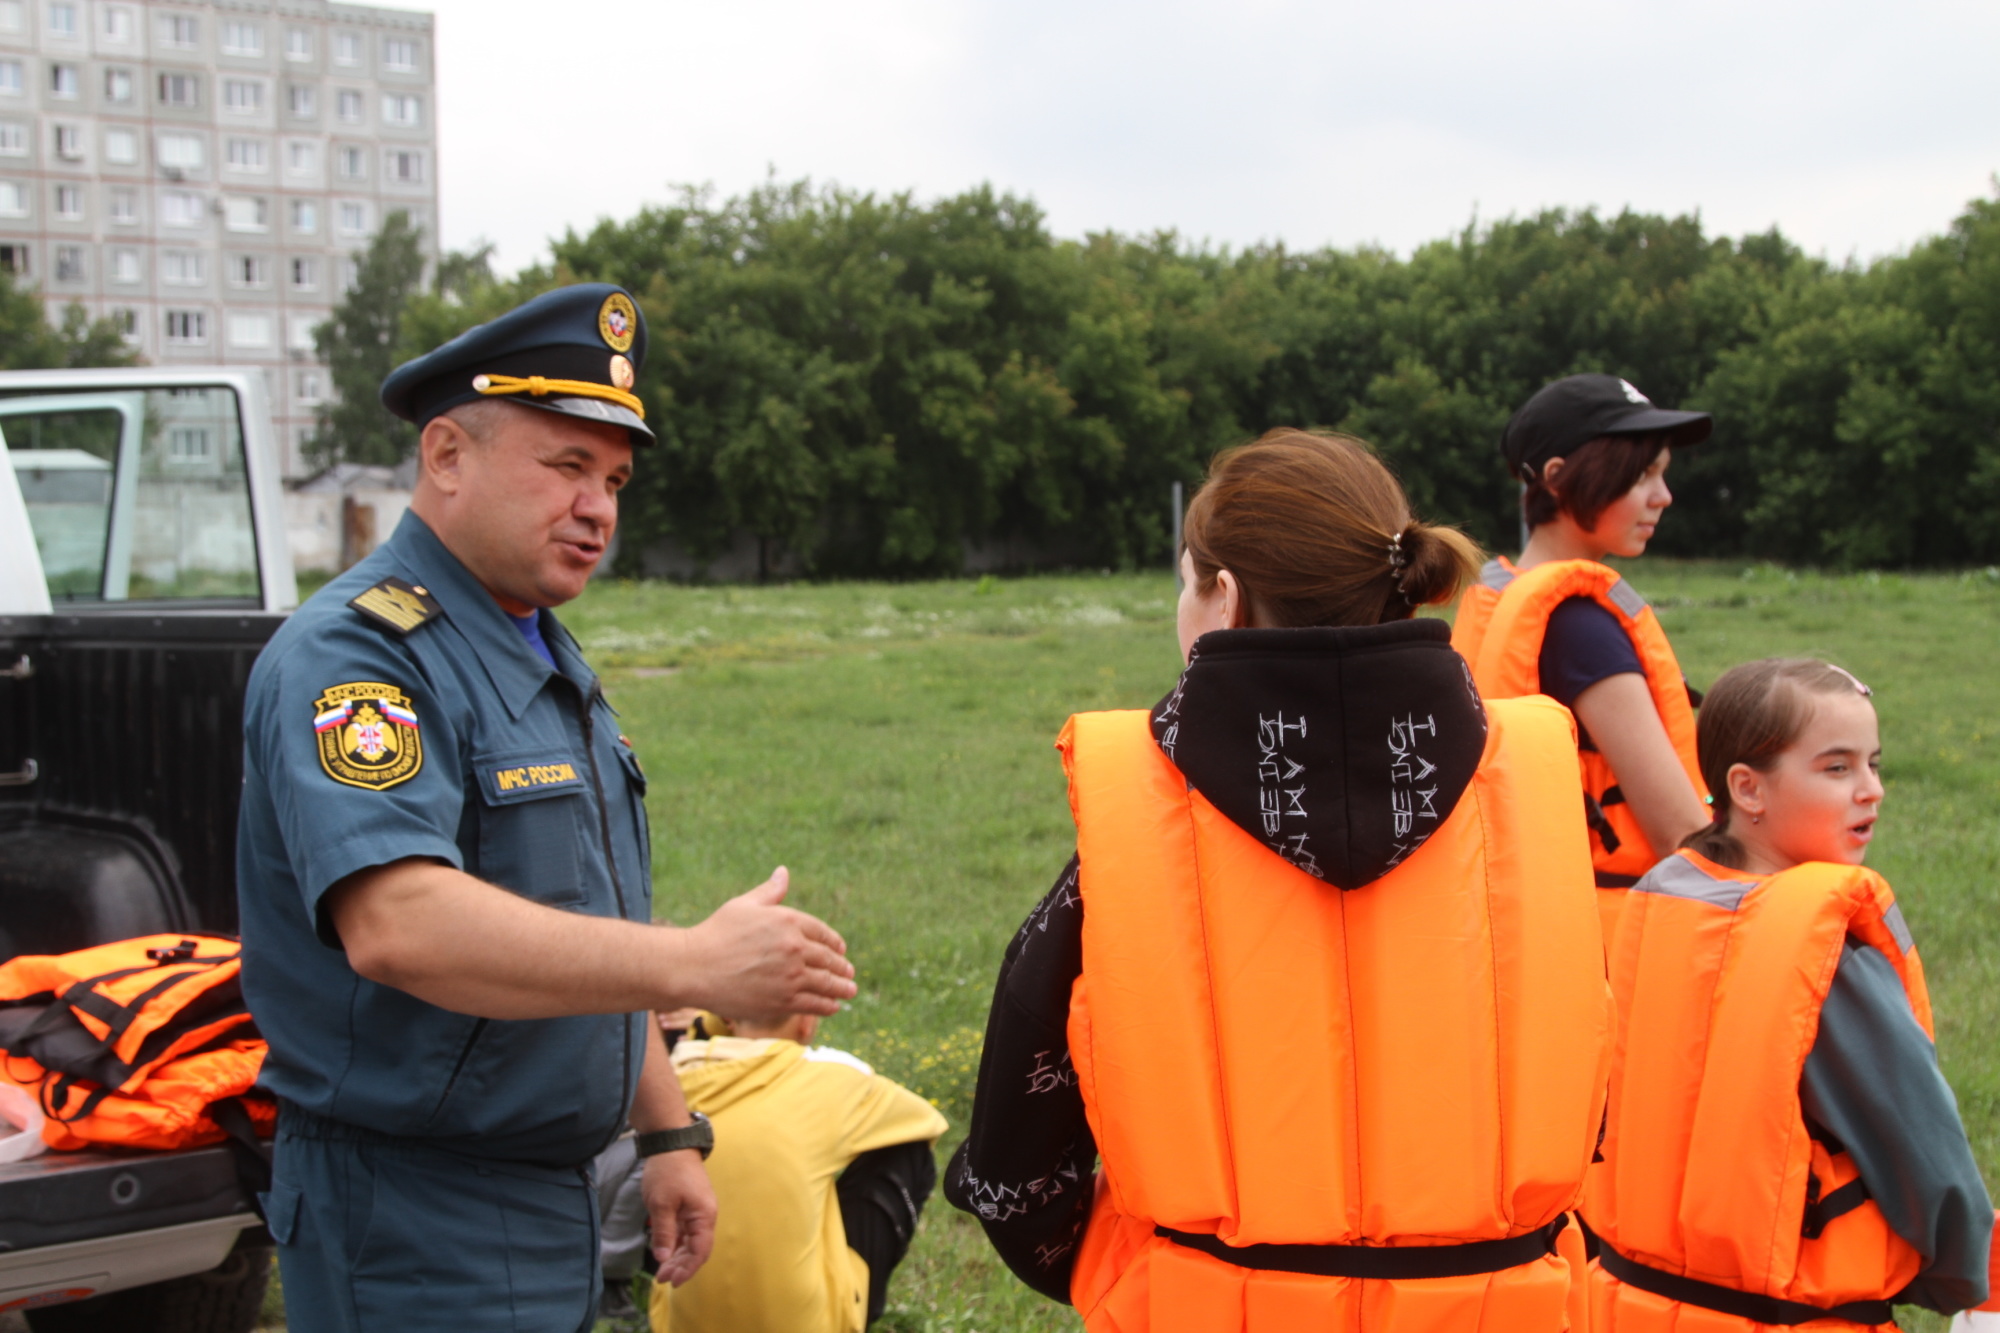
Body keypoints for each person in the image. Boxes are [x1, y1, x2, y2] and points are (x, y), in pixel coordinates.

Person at [235, 283, 859, 1333]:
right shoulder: (358, 655)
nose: (599, 507)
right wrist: (693, 963)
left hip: (550, 1191)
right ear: (446, 456)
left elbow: (573, 917)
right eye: (566, 465)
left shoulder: (530, 642)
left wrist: (663, 1131)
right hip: (412, 1214)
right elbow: (400, 926)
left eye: (613, 478)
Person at [946, 429, 1611, 1331]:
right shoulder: (1535, 789)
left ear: (1222, 598)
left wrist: (1163, 1268)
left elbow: (1017, 1158)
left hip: (1207, 1304)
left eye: (1186, 582)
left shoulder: (1133, 823)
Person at [1585, 657, 1997, 1329]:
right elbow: (1927, 1155)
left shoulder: (1657, 902)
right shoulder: (1825, 951)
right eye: (1837, 768)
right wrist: (1965, 1277)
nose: (1871, 790)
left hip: (1634, 1303)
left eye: (1875, 763)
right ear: (1748, 788)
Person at [1453, 373, 1715, 941]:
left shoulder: (1500, 597)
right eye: (1643, 475)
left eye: (1663, 474)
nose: (1663, 496)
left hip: (1537, 925)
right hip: (1614, 941)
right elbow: (1681, 831)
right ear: (1557, 479)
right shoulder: (1579, 627)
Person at [648, 1008, 947, 1332]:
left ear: (726, 1018)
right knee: (906, 1151)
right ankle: (857, 1307)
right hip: (809, 1324)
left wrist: (710, 1018)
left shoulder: (671, 1074)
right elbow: (924, 1120)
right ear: (807, 1022)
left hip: (675, 1322)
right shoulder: (830, 1076)